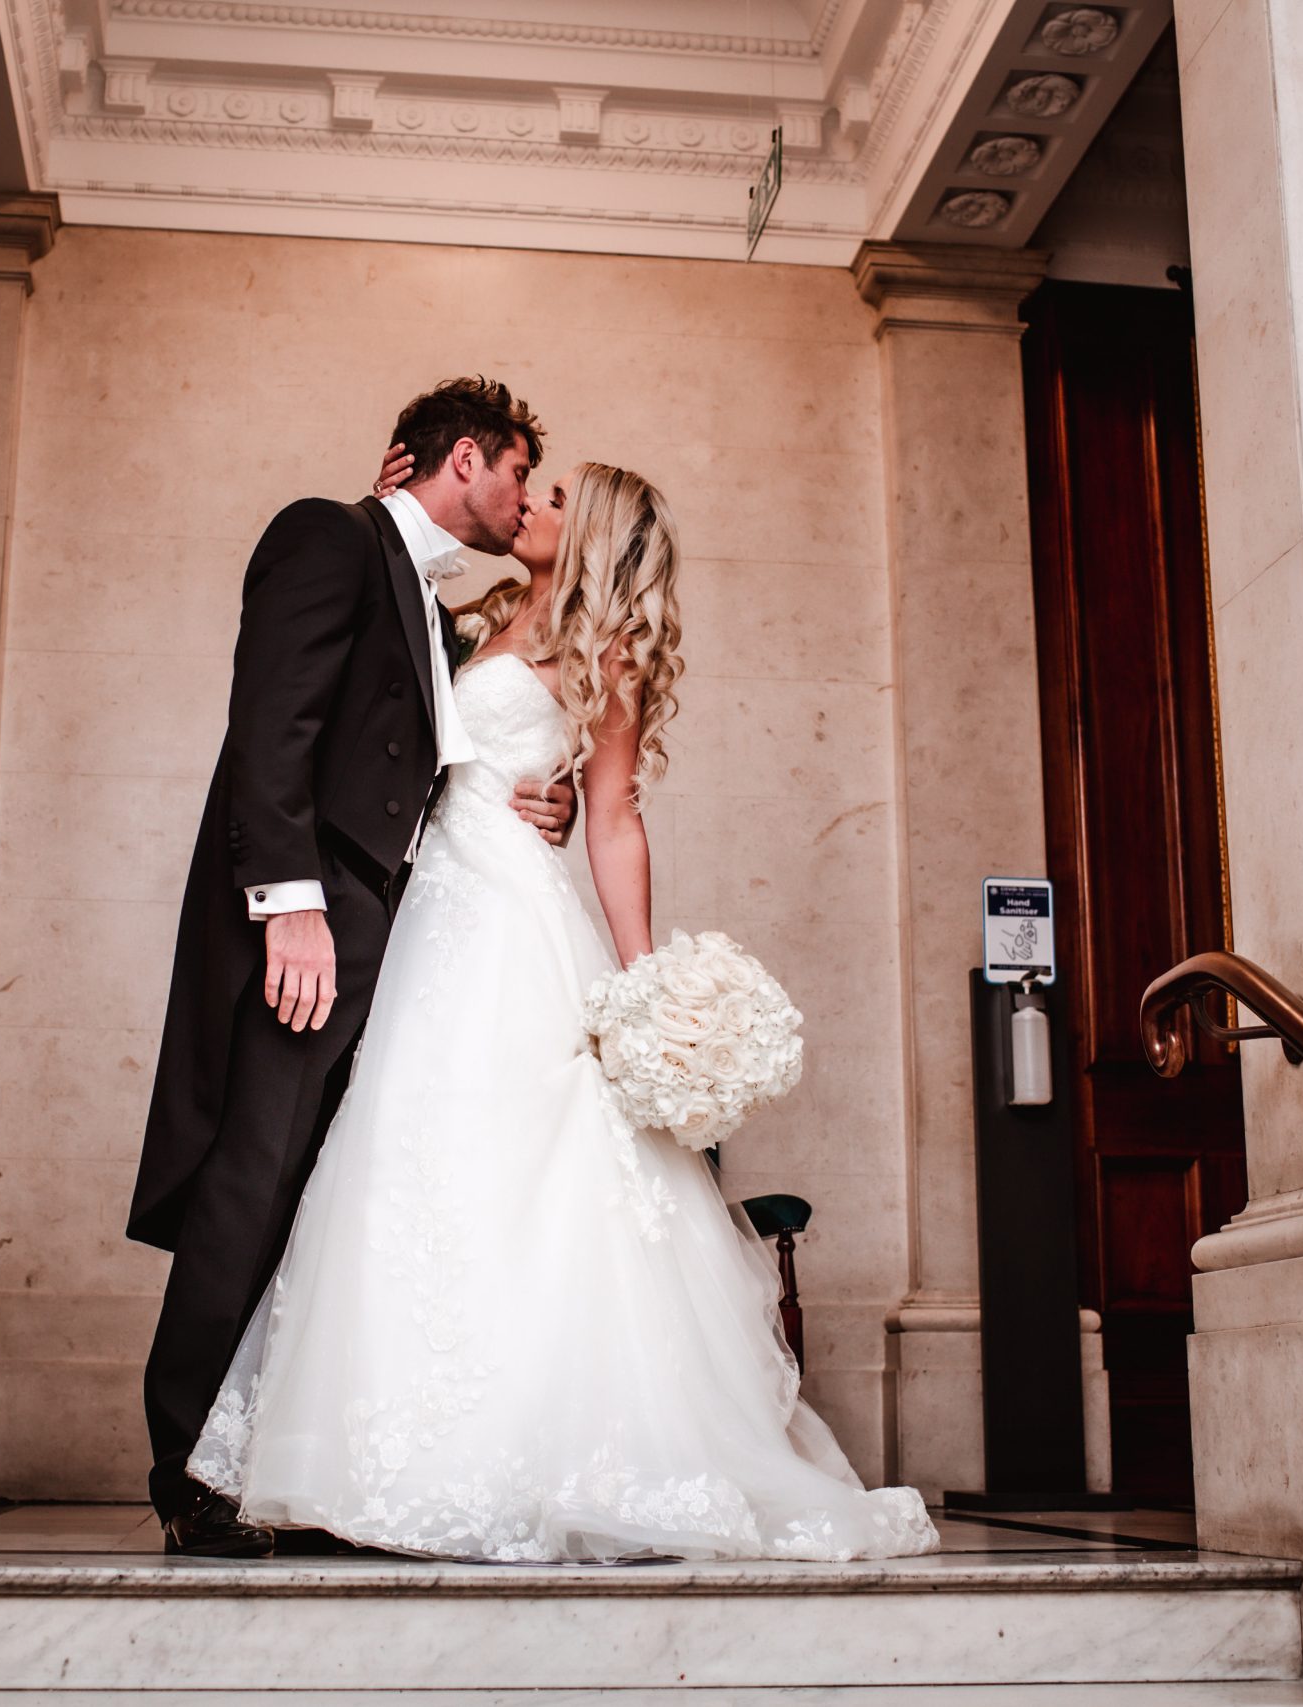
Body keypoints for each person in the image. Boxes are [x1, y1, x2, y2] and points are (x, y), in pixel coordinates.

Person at [183, 450, 941, 1563]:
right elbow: (388, 719)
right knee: (400, 1156)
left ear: (586, 533)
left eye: (547, 499)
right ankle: (374, 1457)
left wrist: (643, 988)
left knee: (513, 1167)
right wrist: (391, 499)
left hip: (507, 921)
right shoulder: (477, 612)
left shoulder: (608, 651)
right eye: (527, 487)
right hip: (424, 909)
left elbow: (616, 815)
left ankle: (517, 1460)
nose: (526, 505)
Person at [135, 378, 577, 1557]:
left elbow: (436, 766)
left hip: (400, 929)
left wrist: (553, 798)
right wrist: (289, 909)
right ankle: (186, 1468)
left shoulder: (436, 615)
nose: (527, 499)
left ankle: (282, 1462)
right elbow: (268, 728)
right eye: (521, 474)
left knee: (320, 1197)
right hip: (313, 919)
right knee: (254, 1173)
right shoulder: (327, 535)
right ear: (468, 460)